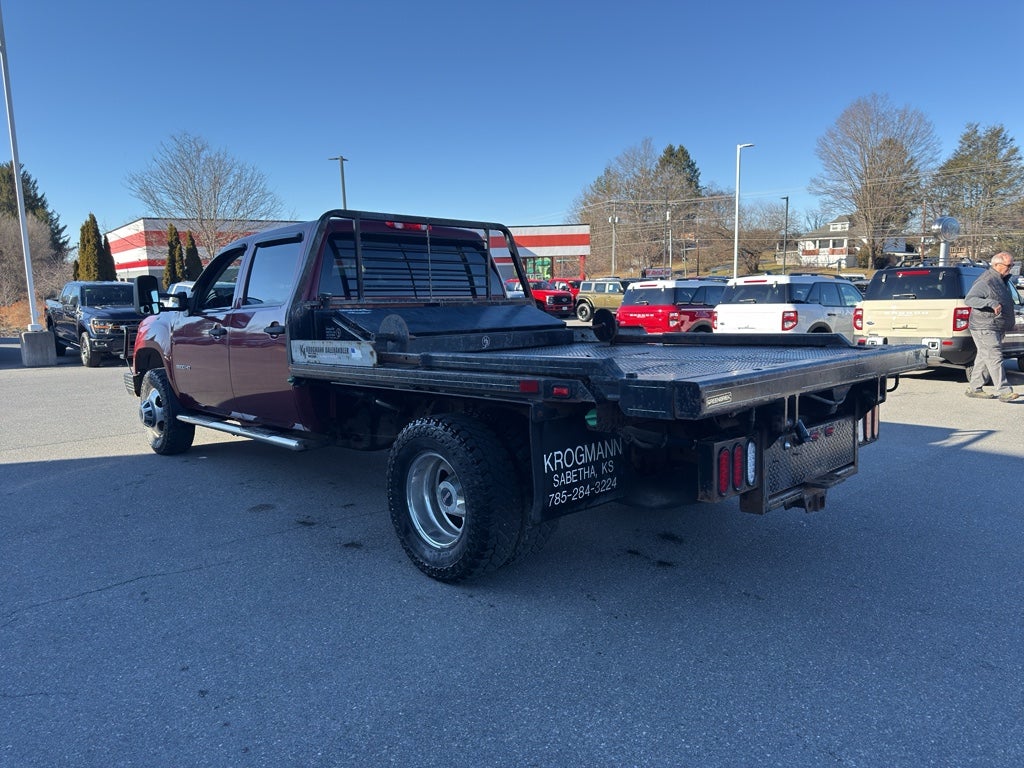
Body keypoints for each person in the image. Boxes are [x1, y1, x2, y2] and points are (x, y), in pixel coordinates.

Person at [964, 252, 1019, 401]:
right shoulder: (986, 281)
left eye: (1012, 265)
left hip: (995, 325)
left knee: (984, 356)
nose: (1011, 268)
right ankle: (1004, 391)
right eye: (1009, 265)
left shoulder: (1002, 280)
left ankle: (974, 388)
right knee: (995, 357)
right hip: (984, 326)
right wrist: (990, 303)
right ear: (996, 265)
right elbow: (970, 299)